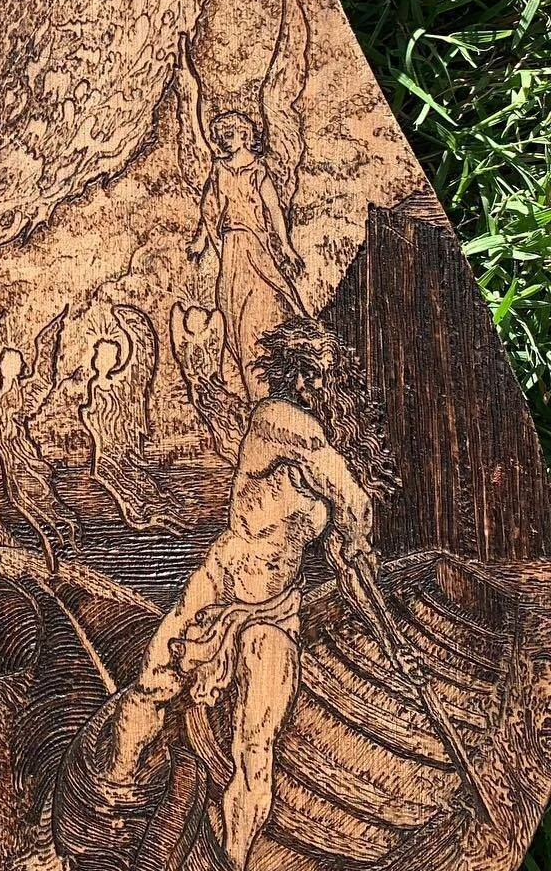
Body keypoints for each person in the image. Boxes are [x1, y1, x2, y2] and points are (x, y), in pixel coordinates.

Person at [94, 319, 398, 870]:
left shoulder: (317, 455)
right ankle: (107, 806)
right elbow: (352, 501)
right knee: (152, 687)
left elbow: (339, 518)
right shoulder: (281, 422)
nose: (316, 385)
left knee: (255, 750)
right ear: (295, 373)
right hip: (220, 585)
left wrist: (348, 550)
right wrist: (353, 534)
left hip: (274, 613)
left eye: (323, 376)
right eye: (311, 373)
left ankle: (232, 858)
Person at [190, 112, 305, 401]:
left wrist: (286, 246)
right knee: (230, 302)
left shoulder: (257, 170)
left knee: (266, 292)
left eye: (231, 135)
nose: (226, 141)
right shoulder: (219, 170)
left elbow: (274, 209)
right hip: (229, 245)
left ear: (245, 135)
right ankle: (247, 372)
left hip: (254, 243)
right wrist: (200, 241)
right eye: (223, 137)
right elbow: (209, 209)